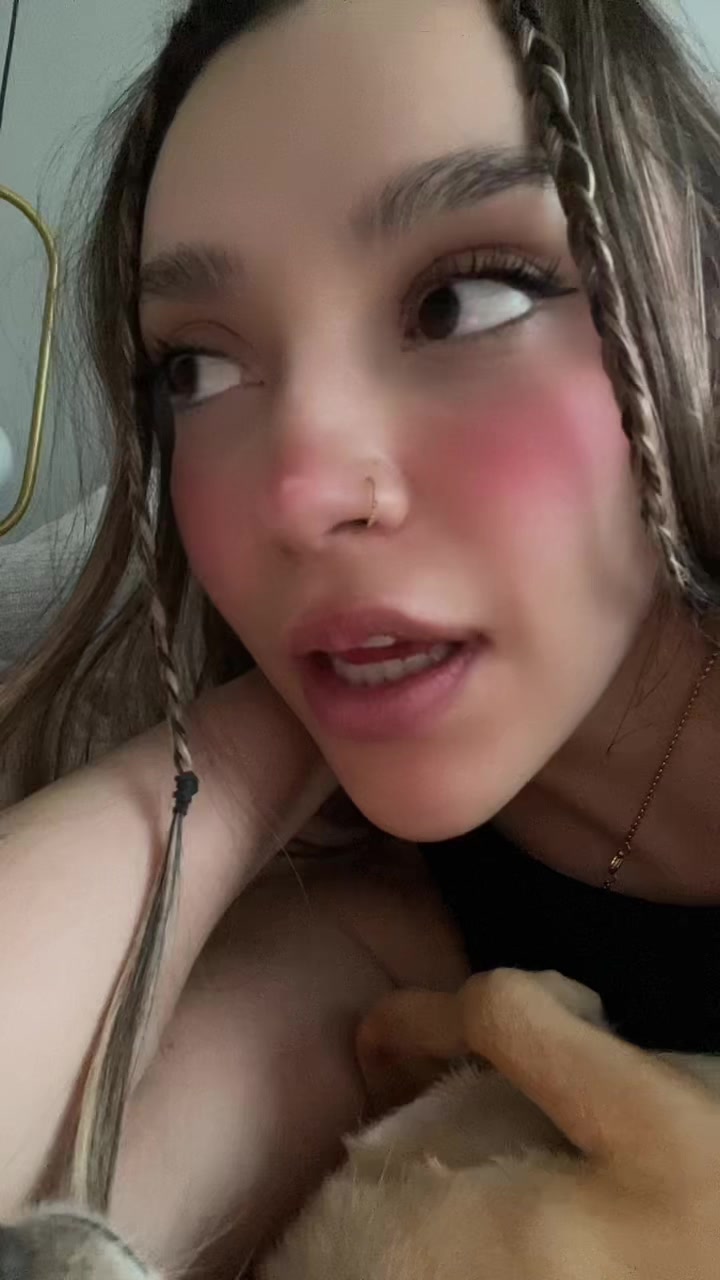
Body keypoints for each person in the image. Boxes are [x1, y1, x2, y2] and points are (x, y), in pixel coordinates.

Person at [1, 0, 720, 1273]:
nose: (295, 492)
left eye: (461, 301)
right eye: (198, 369)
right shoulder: (382, 922)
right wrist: (240, 754)